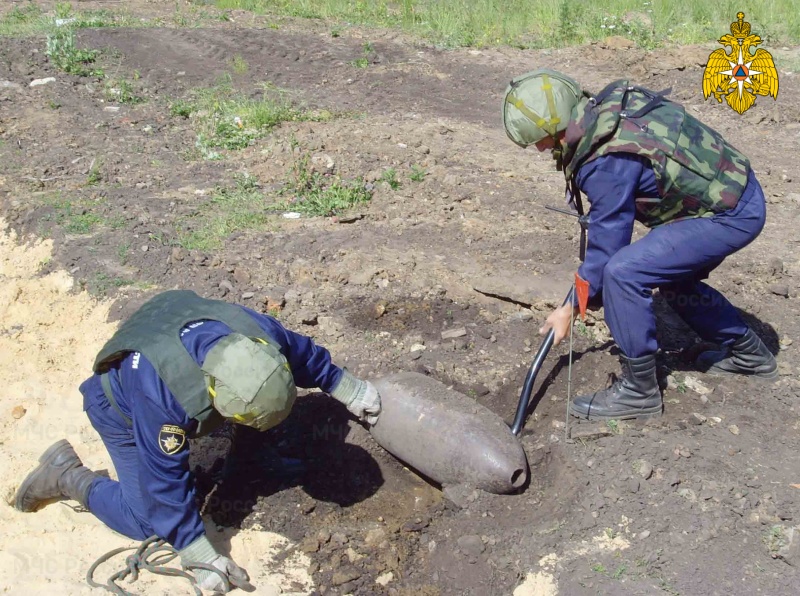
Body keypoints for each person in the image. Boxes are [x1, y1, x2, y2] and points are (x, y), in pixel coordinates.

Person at [14, 290, 381, 593]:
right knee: (146, 521)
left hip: (170, 323)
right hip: (117, 409)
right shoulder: (161, 400)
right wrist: (197, 551)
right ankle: (67, 476)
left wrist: (345, 386)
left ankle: (247, 461)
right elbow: (164, 482)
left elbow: (298, 353)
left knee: (258, 410)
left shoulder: (256, 334)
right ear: (211, 393)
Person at [501, 69, 777, 421]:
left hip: (730, 213)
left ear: (556, 127)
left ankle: (639, 392)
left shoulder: (605, 160)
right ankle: (749, 354)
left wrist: (569, 308)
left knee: (625, 273)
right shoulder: (604, 113)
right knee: (667, 272)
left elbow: (607, 251)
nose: (539, 148)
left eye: (540, 139)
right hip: (734, 193)